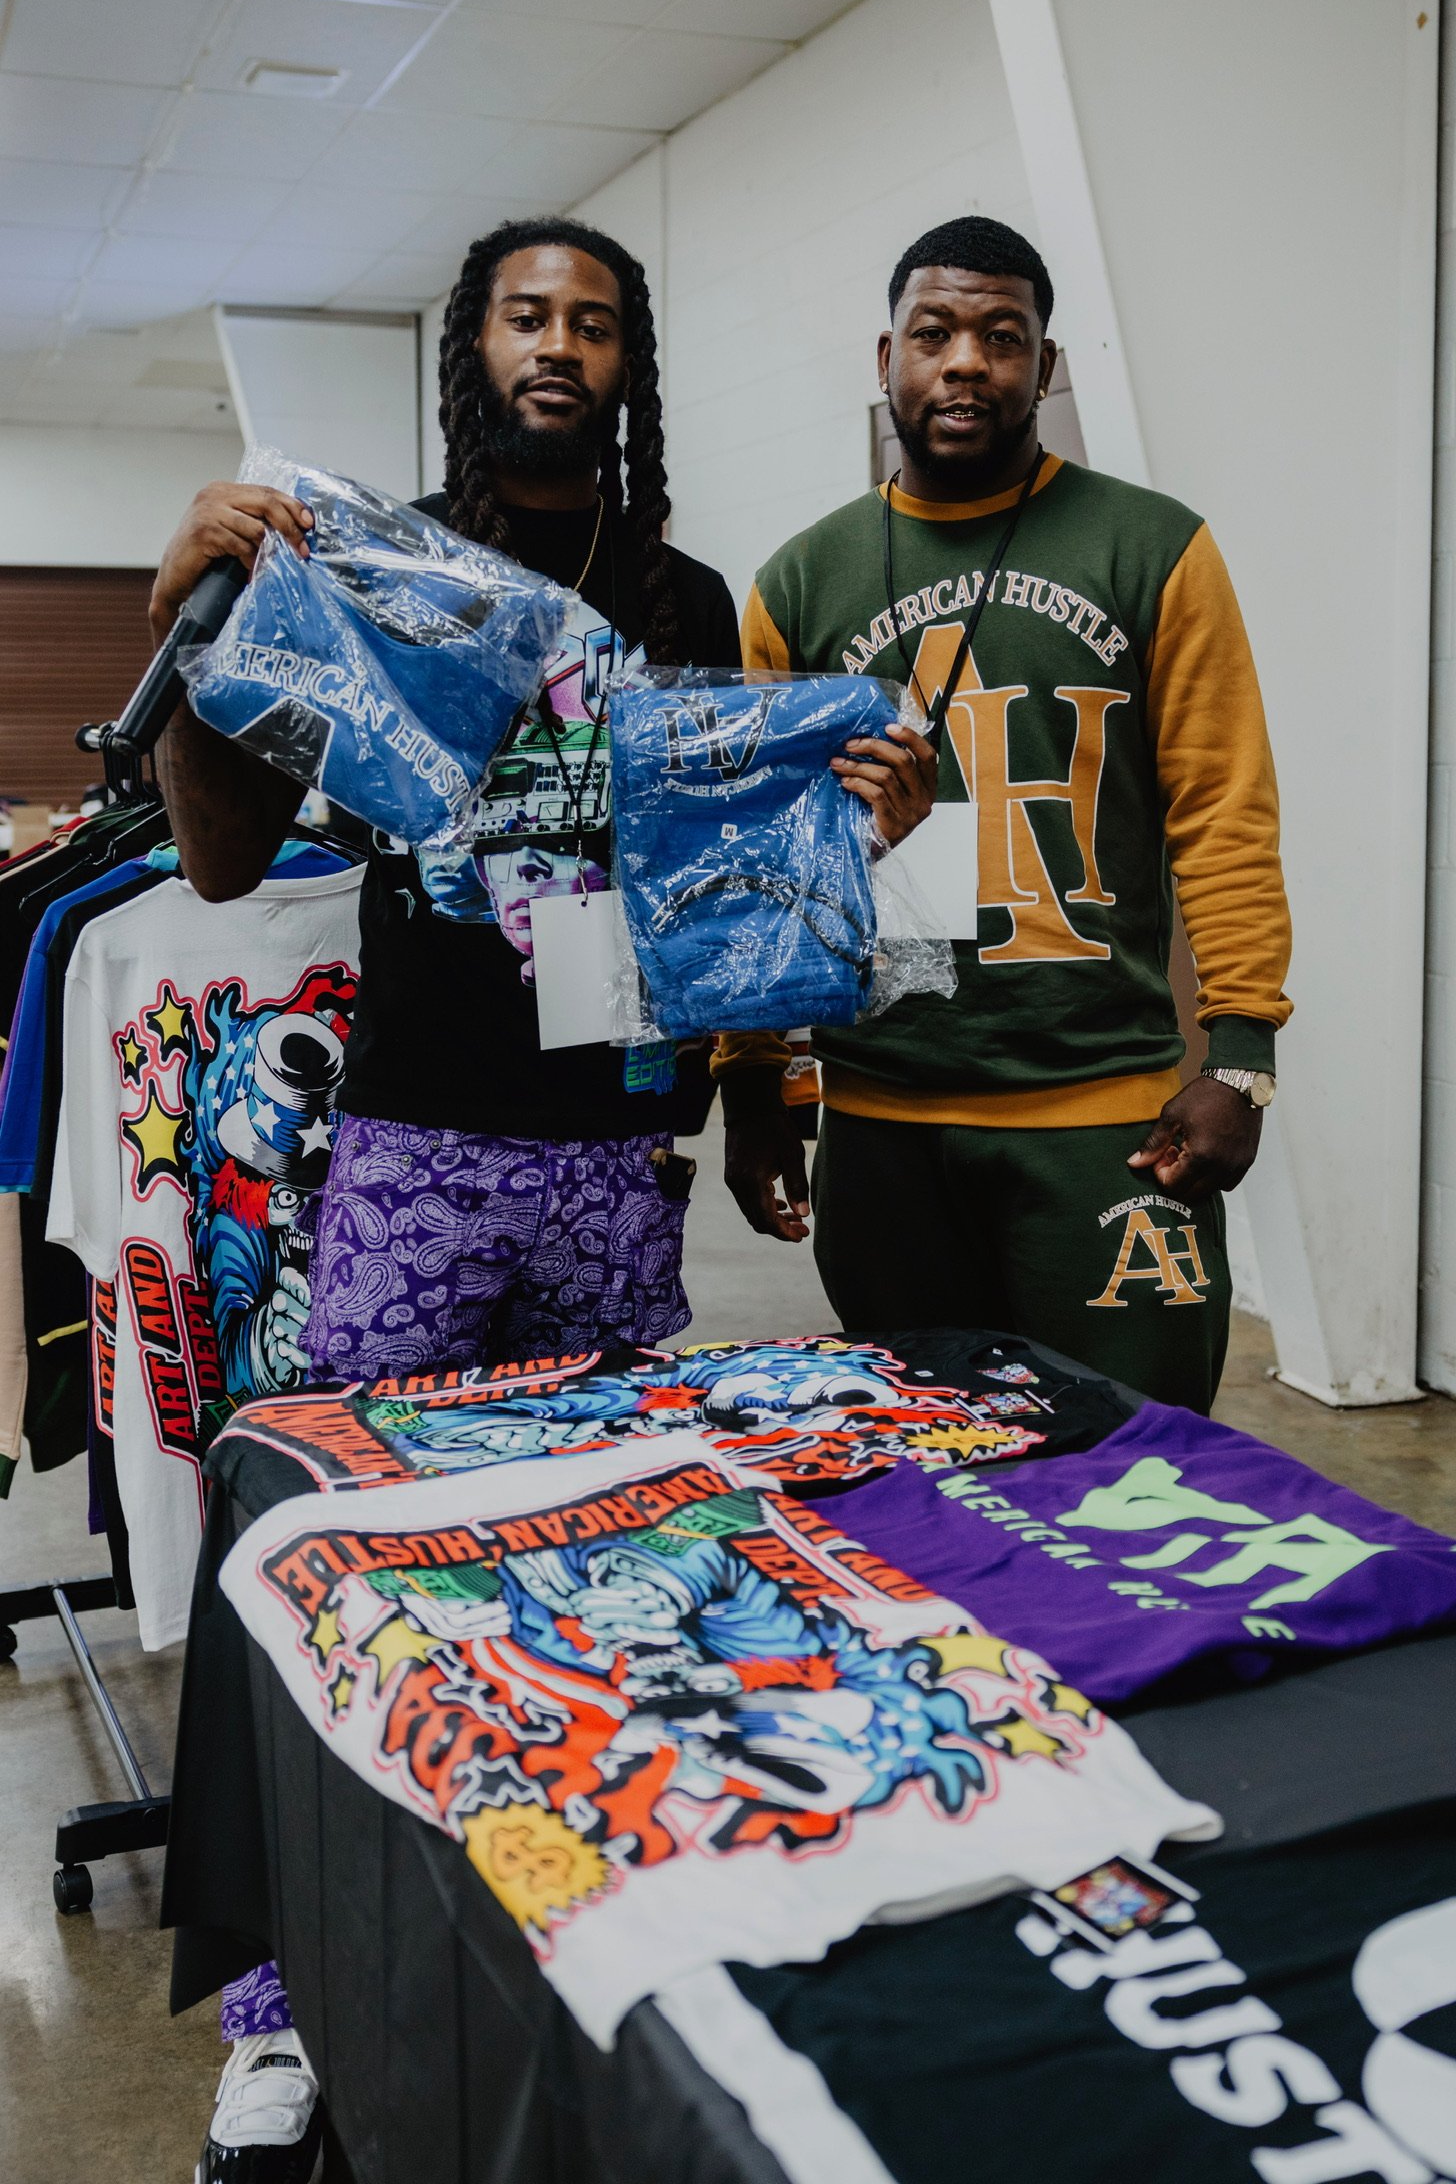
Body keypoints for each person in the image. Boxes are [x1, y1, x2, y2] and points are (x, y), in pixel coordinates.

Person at [151, 216, 932, 2182]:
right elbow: (225, 853)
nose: (559, 344)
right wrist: (193, 617)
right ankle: (280, 2011)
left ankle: (563, 1930)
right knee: (348, 1569)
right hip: (415, 1152)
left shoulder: (685, 598)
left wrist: (857, 836)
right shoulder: (373, 568)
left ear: (627, 362)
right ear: (473, 348)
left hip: (612, 1170)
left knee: (599, 1576)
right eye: (527, 314)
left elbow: (738, 894)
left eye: (593, 319)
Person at [719, 214, 1291, 1418]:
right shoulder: (799, 581)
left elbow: (1223, 812)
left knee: (1138, 1467)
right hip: (881, 1120)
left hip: (1101, 1116)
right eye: (935, 333)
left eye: (1004, 336)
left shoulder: (1154, 547)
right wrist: (756, 1079)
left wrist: (1242, 1056)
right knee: (931, 1478)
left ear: (1047, 365)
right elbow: (758, 859)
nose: (967, 362)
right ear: (887, 360)